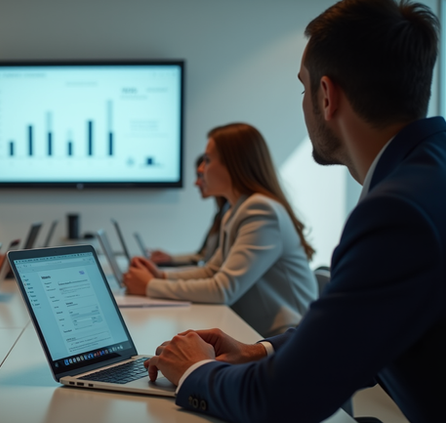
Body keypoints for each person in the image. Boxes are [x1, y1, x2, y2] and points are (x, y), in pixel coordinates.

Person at [145, 1, 444, 422]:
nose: (303, 101)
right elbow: (359, 331)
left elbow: (279, 400)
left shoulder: (398, 211)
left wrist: (196, 371)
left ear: (326, 95)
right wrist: (259, 349)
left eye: (303, 88)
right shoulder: (427, 173)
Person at [124, 123, 317, 337]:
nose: (200, 169)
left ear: (233, 164)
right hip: (263, 333)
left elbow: (222, 289)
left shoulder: (260, 210)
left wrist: (150, 286)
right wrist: (160, 276)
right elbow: (212, 270)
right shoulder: (235, 210)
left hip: (289, 338)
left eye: (207, 160)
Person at [149, 154, 229, 266]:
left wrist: (159, 279)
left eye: (201, 175)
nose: (196, 183)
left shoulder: (234, 213)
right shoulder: (221, 214)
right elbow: (202, 257)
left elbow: (212, 269)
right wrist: (171, 259)